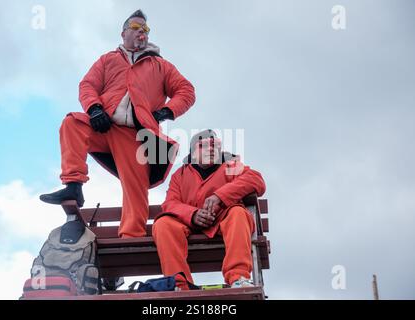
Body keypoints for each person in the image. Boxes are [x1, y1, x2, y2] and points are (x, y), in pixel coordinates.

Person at [40, 10, 195, 238]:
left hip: (134, 135)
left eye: (145, 29)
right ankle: (73, 185)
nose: (141, 32)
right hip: (104, 126)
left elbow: (186, 91)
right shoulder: (107, 60)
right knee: (73, 123)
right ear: (123, 33)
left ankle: (131, 239)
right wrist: (94, 109)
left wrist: (167, 111)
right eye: (136, 27)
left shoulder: (161, 66)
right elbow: (88, 85)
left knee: (135, 189)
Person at [152, 130, 266, 290]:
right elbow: (170, 203)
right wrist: (192, 214)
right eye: (204, 145)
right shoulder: (180, 174)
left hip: (223, 219)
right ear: (193, 152)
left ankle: (238, 278)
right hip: (188, 224)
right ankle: (179, 285)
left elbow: (256, 180)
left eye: (215, 146)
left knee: (238, 213)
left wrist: (220, 196)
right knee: (163, 224)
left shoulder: (232, 166)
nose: (211, 149)